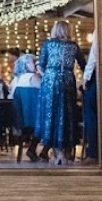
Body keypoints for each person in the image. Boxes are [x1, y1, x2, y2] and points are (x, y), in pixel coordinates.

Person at [30, 19, 86, 166]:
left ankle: (55, 153)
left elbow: (41, 65)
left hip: (50, 81)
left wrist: (48, 75)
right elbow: (84, 66)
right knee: (67, 115)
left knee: (51, 115)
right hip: (68, 80)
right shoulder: (74, 46)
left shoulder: (48, 44)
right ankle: (65, 153)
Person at [81, 32, 99, 165]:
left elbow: (94, 55)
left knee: (91, 114)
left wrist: (86, 77)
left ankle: (93, 153)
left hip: (99, 73)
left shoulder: (101, 29)